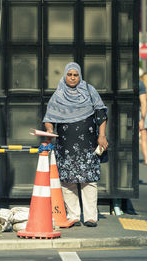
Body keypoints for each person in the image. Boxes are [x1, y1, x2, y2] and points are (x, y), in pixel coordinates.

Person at [43, 62, 108, 227]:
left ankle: (90, 216)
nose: (72, 78)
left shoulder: (89, 91)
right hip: (65, 145)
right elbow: (49, 118)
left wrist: (102, 135)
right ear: (65, 75)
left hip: (88, 143)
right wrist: (50, 130)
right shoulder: (58, 94)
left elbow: (101, 113)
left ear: (80, 76)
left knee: (89, 180)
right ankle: (73, 216)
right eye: (70, 75)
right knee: (68, 180)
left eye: (75, 75)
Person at [139, 70, 147, 161]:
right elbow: (144, 102)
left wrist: (142, 119)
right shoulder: (140, 83)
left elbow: (143, 102)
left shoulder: (139, 84)